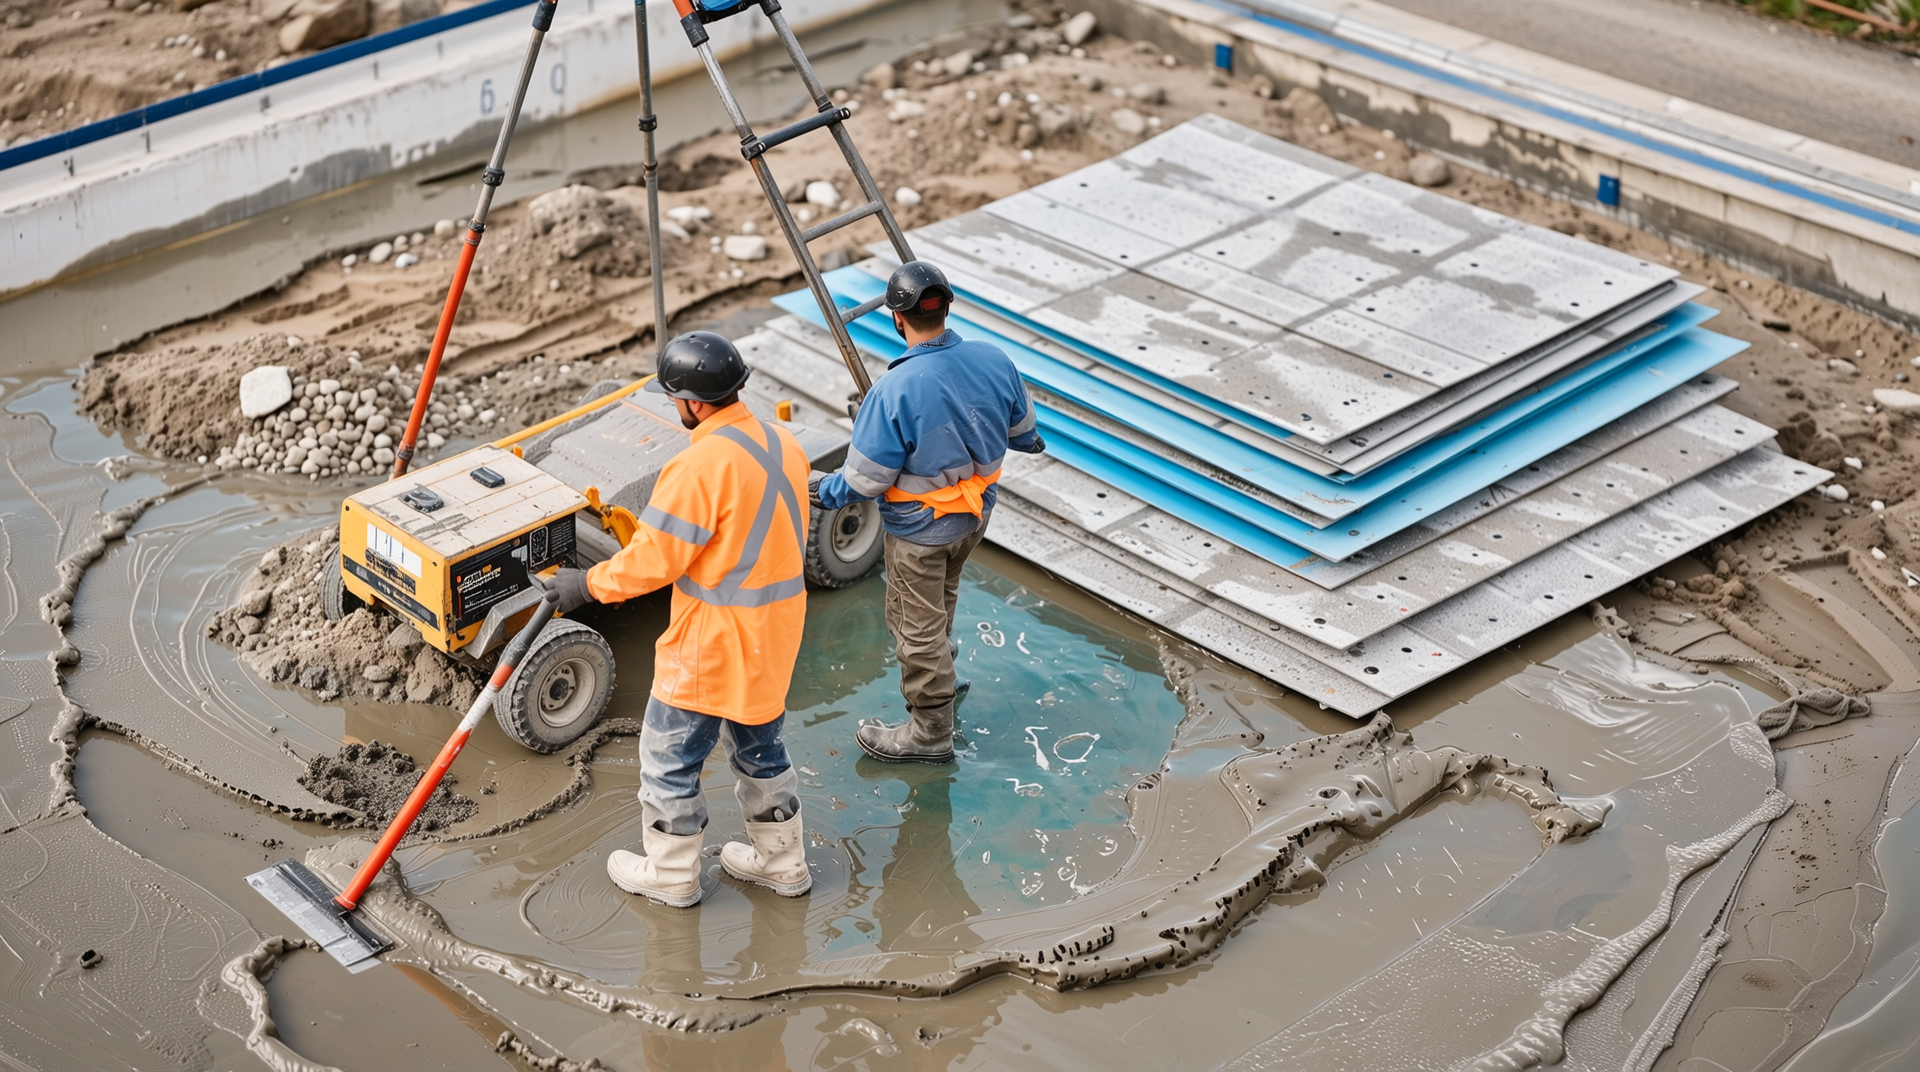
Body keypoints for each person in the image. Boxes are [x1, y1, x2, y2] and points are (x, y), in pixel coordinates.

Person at [541, 331, 814, 908]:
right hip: (775, 632)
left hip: (713, 639)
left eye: (675, 400)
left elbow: (653, 562)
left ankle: (672, 875)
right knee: (761, 749)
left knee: (668, 759)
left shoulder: (696, 466)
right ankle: (783, 863)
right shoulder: (784, 443)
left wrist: (584, 584)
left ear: (691, 402)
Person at [812, 260, 1044, 764]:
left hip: (921, 531)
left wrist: (819, 490)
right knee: (943, 596)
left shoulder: (893, 390)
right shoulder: (994, 358)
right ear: (946, 308)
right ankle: (946, 675)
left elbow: (863, 482)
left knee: (914, 624)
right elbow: (1026, 435)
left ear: (898, 319)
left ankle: (930, 731)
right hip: (975, 516)